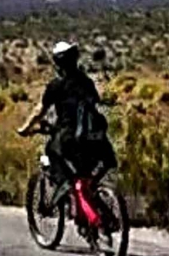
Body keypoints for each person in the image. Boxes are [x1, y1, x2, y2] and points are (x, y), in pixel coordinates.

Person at [17, 41, 116, 182]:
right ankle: (93, 191)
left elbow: (40, 111)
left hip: (70, 136)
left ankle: (68, 193)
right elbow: (95, 101)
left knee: (53, 152)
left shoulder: (56, 85)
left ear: (57, 63)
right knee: (94, 167)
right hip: (97, 135)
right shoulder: (86, 81)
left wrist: (25, 128)